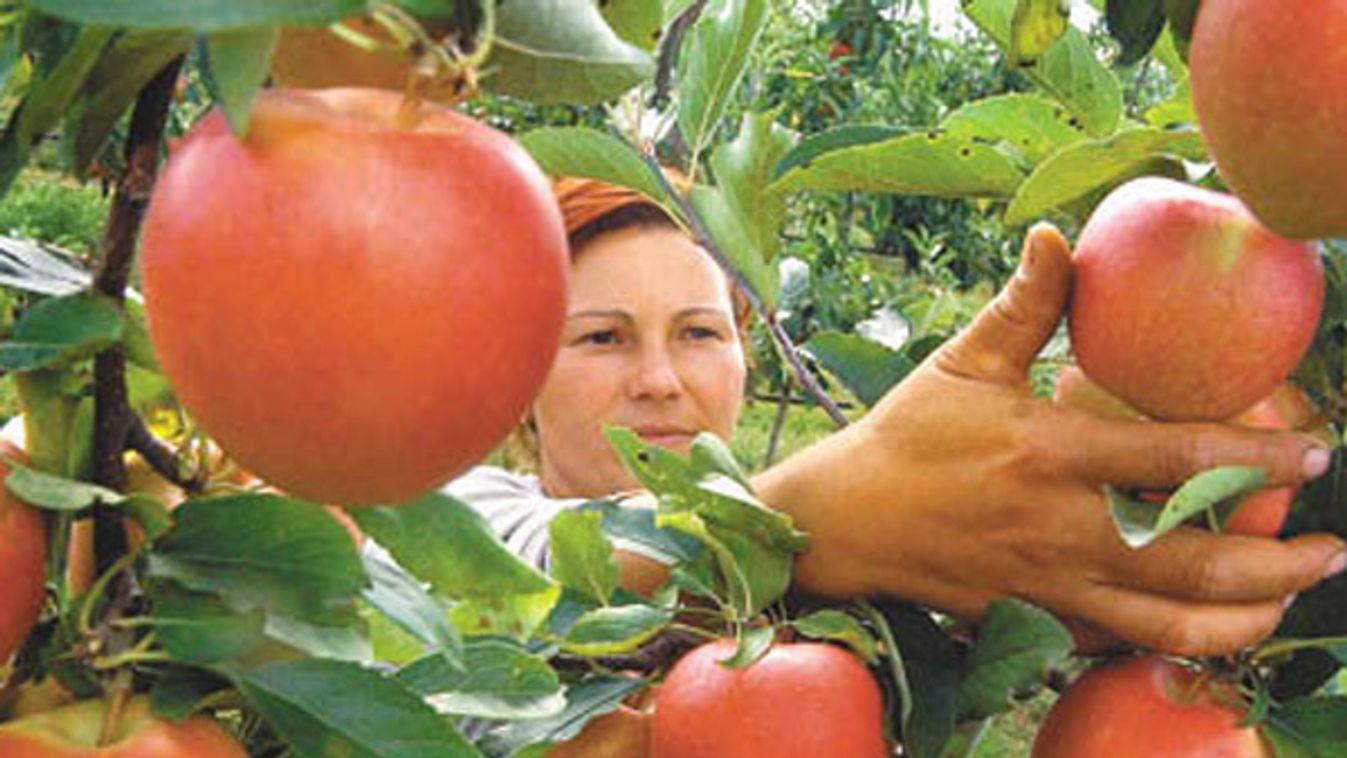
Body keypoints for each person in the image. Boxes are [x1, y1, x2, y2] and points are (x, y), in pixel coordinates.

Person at [445, 176, 1345, 659]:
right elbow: (507, 589)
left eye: (699, 333)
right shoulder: (454, 515)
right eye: (600, 338)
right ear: (519, 377)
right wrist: (820, 517)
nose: (659, 379)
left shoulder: (892, 586)